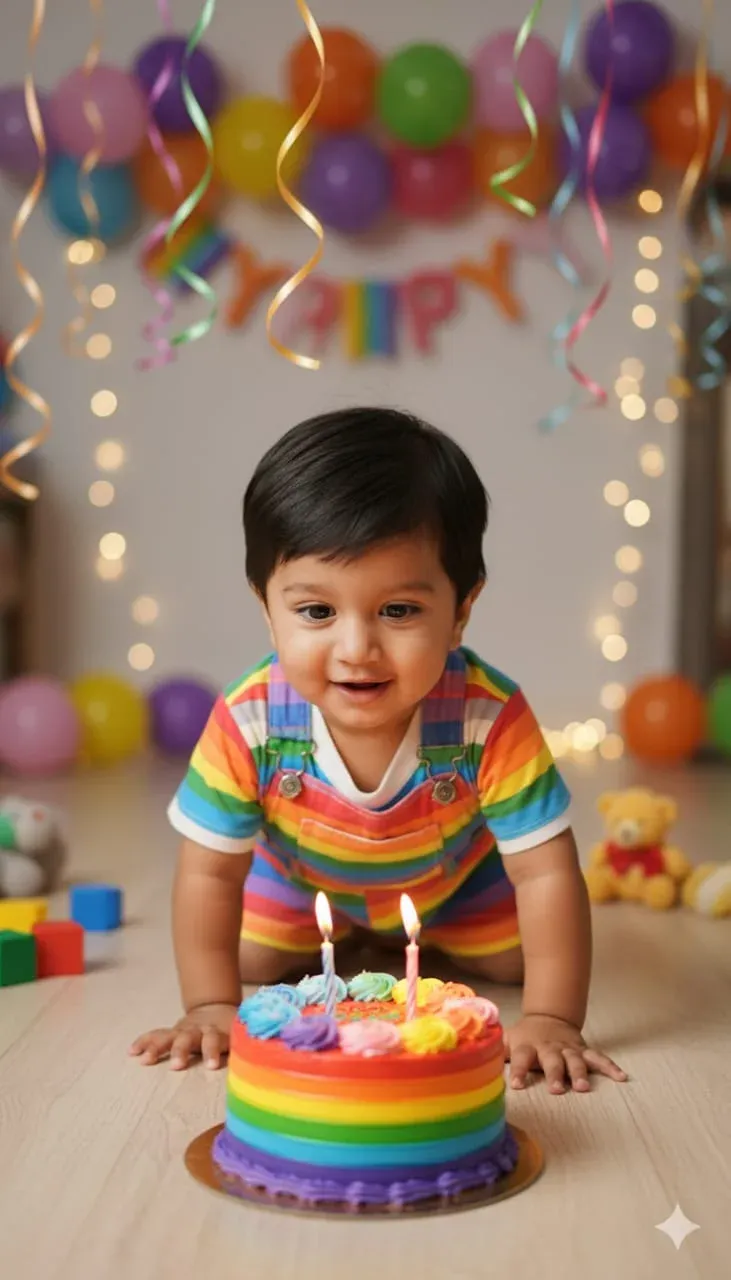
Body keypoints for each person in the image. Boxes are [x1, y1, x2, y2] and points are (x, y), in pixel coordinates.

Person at [131, 407, 627, 1094]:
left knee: (521, 963)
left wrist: (550, 1017)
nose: (356, 648)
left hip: (453, 888)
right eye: (315, 612)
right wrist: (209, 1006)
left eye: (397, 611)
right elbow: (209, 876)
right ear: (265, 606)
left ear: (460, 610)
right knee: (242, 957)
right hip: (302, 885)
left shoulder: (488, 715)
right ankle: (349, 938)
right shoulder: (249, 718)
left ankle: (414, 939)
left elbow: (544, 875)